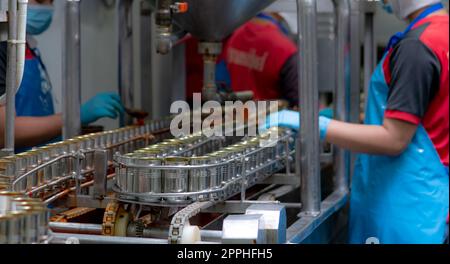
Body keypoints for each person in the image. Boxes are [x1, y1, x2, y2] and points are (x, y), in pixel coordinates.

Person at [264, 0, 449, 244]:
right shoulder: (442, 31)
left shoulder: (417, 46)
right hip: (430, 199)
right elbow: (429, 115)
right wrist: (341, 120)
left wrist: (312, 124)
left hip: (402, 206)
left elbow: (394, 138)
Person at [0, 0, 125, 151]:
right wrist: (73, 117)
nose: (46, 7)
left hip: (39, 162)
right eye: (40, 0)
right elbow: (3, 132)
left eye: (51, 1)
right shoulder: (4, 48)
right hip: (15, 168)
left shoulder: (29, 47)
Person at [185, 12, 300, 107]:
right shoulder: (285, 49)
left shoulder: (236, 36)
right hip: (271, 125)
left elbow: (221, 78)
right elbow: (298, 103)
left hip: (238, 119)